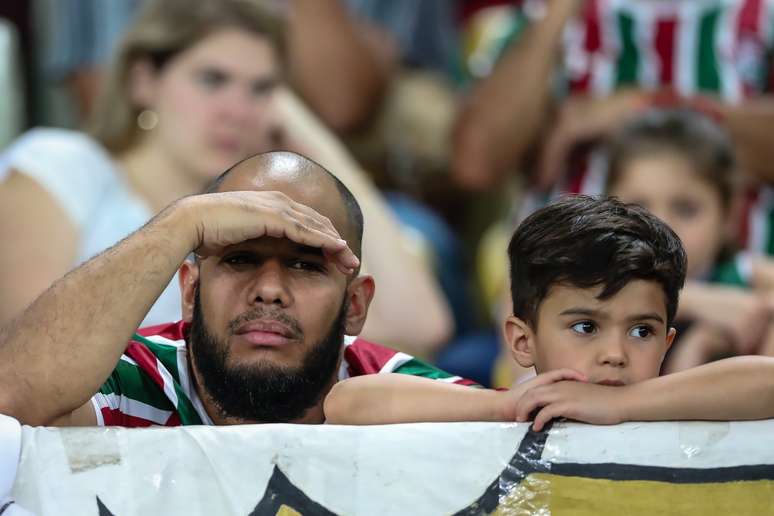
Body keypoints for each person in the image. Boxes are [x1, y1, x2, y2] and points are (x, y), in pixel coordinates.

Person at [0, 0, 452, 357]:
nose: (237, 110)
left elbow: (419, 325)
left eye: (261, 88)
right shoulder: (60, 163)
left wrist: (307, 131)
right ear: (142, 80)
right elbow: (23, 349)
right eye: (212, 79)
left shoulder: (264, 209)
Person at [0, 151, 473, 427]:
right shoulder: (140, 379)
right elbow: (11, 395)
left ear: (354, 304)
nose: (269, 290)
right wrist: (184, 221)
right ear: (189, 289)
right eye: (239, 259)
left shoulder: (403, 397)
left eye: (305, 266)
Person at [324, 196, 774, 430]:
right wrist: (501, 404)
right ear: (522, 341)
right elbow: (348, 402)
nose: (615, 354)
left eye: (641, 331)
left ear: (666, 344)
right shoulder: (505, 411)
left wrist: (621, 404)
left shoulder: (675, 410)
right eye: (585, 326)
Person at [607, 109, 774, 371]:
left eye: (686, 208)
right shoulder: (596, 280)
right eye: (637, 208)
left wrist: (709, 338)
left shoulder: (744, 274)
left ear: (728, 217)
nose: (660, 225)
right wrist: (700, 303)